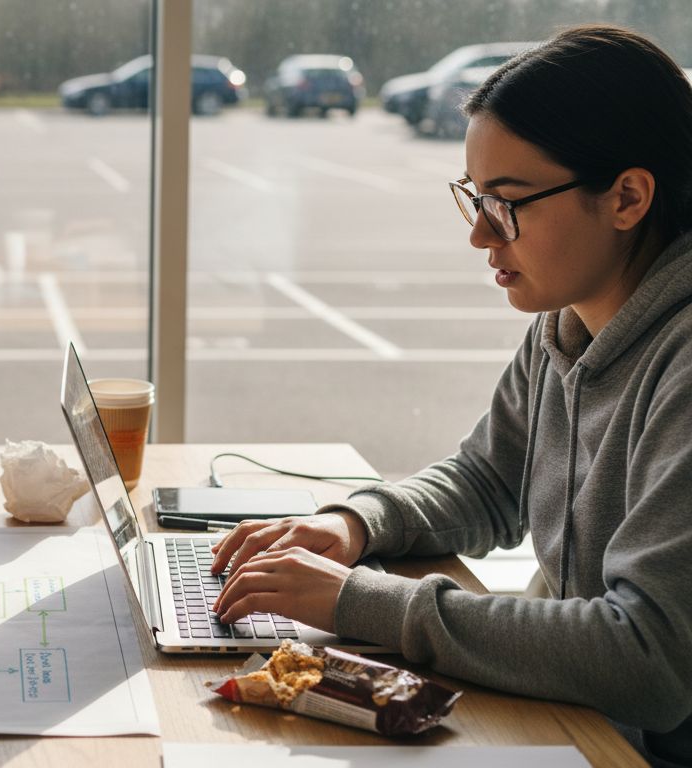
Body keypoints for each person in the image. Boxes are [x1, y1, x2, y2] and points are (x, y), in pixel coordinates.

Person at [210, 24, 692, 766]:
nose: (480, 236)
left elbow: (648, 658)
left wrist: (355, 600)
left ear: (627, 196)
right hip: (572, 718)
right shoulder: (569, 315)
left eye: (508, 203)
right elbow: (488, 481)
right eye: (475, 199)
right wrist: (355, 526)